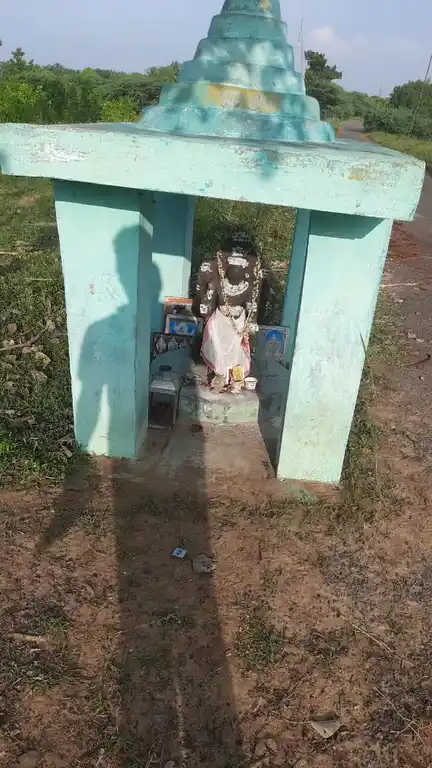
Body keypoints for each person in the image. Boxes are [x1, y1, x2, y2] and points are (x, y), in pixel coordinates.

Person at [194, 231, 264, 391]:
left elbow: (252, 305)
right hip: (220, 319)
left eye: (239, 267)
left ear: (245, 269)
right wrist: (205, 308)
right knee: (215, 344)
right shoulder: (220, 283)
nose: (235, 271)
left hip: (238, 322)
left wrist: (251, 322)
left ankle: (236, 379)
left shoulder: (248, 286)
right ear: (226, 267)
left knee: (238, 352)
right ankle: (219, 375)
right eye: (232, 267)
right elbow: (208, 300)